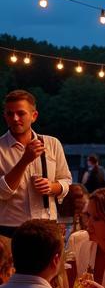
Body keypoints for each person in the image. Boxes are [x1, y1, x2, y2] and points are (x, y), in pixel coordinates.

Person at [0, 89, 72, 237]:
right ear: (5, 116)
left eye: (21, 113)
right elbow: (2, 193)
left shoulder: (52, 143)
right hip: (11, 227)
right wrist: (24, 160)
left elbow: (66, 180)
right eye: (9, 114)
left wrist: (52, 187)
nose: (15, 118)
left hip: (47, 223)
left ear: (34, 116)